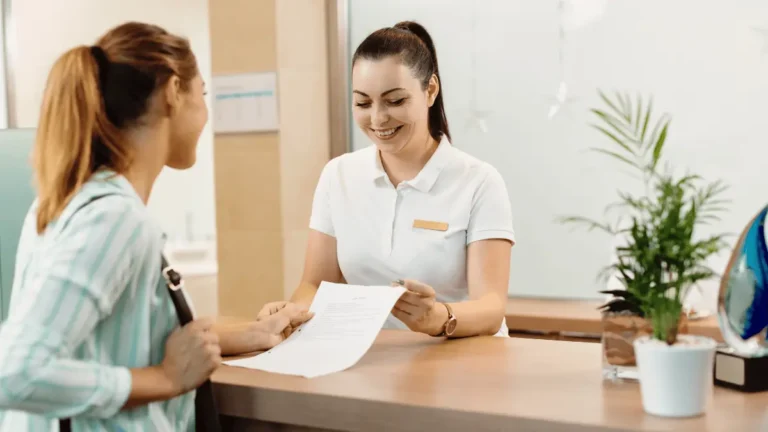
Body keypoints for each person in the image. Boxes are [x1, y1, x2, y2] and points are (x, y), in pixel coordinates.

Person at [0, 22, 311, 431]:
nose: (205, 114)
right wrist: (163, 379)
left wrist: (249, 334)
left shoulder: (68, 201)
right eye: (202, 94)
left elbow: (116, 341)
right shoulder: (114, 219)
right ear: (171, 92)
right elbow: (18, 371)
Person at [263, 21, 515, 338]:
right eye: (363, 103)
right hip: (373, 361)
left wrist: (439, 317)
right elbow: (314, 284)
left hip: (463, 360)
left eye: (395, 101)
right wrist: (290, 313)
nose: (378, 118)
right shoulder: (338, 175)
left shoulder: (479, 181)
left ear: (430, 90)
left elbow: (491, 307)